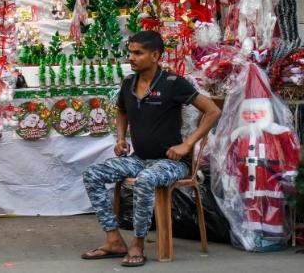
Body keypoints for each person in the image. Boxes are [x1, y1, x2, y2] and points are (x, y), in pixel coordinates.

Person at [81, 31, 221, 267]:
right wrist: (120, 138)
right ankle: (114, 239)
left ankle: (137, 243)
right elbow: (122, 111)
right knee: (92, 174)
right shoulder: (128, 83)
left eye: (138, 53)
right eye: (130, 52)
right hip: (139, 158)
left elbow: (213, 111)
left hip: (173, 163)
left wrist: (188, 144)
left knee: (146, 179)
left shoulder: (173, 83)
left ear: (155, 55)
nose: (131, 58)